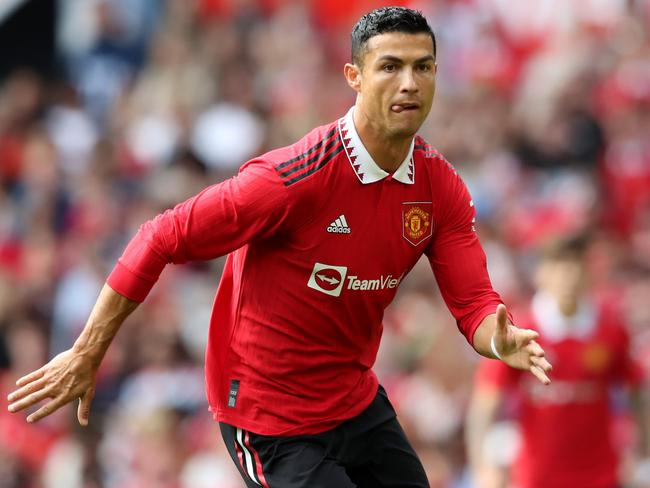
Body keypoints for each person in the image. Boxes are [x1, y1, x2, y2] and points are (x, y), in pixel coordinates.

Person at [7, 7, 552, 487]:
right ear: (354, 77)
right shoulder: (294, 178)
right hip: (266, 416)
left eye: (422, 66)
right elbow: (161, 235)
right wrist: (87, 350)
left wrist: (495, 339)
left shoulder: (440, 187)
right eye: (390, 66)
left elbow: (474, 302)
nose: (409, 83)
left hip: (352, 400)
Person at [466, 234, 649, 488]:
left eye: (576, 267)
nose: (568, 278)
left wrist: (645, 454)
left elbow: (636, 391)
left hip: (602, 476)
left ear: (589, 274)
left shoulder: (611, 328)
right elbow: (485, 401)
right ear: (541, 274)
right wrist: (481, 467)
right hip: (537, 477)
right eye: (560, 268)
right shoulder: (521, 331)